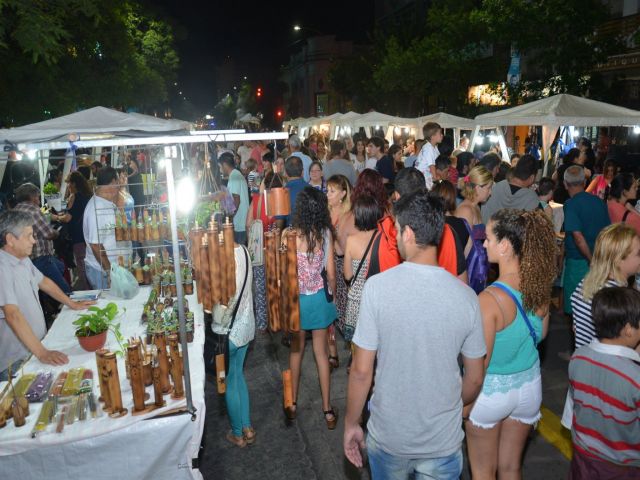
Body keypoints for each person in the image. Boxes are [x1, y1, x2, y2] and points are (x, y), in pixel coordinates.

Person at [343, 189, 486, 476]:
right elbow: (475, 377)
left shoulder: (378, 288)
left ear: (408, 233)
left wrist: (351, 423)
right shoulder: (467, 297)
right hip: (442, 443)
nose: (394, 238)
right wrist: (444, 406)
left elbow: (361, 371)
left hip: (390, 437)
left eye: (396, 230)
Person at [465, 209, 557, 480]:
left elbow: (478, 367)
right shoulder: (539, 289)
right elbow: (540, 336)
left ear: (505, 245)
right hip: (529, 388)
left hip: (490, 394)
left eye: (489, 239)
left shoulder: (488, 300)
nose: (484, 244)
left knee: (483, 472)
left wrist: (463, 406)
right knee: (511, 468)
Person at [0, 210, 95, 381]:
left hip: (35, 348)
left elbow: (44, 282)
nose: (34, 241)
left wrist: (72, 303)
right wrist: (42, 352)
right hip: (16, 362)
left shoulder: (22, 259)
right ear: (10, 239)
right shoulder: (2, 267)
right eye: (29, 236)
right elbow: (12, 314)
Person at [568, 287, 640, 479]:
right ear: (628, 330)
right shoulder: (635, 377)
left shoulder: (578, 357)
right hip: (623, 467)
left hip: (584, 458)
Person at [285, 187, 338, 429]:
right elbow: (331, 274)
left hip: (297, 301)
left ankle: (292, 403)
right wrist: (333, 299)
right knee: (321, 354)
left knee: (295, 353)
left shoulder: (289, 235)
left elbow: (285, 275)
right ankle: (327, 410)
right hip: (319, 299)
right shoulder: (326, 233)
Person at [212, 240, 255, 448]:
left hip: (227, 332)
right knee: (238, 375)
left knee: (229, 380)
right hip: (246, 326)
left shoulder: (222, 257)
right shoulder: (244, 250)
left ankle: (238, 434)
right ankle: (247, 427)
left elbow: (223, 303)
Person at [570, 223, 640, 349]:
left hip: (585, 360)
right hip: (612, 366)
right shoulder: (620, 300)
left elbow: (576, 329)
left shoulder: (585, 284)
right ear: (618, 259)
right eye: (638, 253)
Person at [562, 165, 611, 315]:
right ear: (584, 182)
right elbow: (607, 232)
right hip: (601, 259)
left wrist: (590, 259)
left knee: (576, 309)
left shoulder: (571, 204)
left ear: (565, 184)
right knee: (595, 307)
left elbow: (577, 237)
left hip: (580, 261)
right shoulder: (599, 202)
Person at [13, 183, 71, 295]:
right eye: (38, 196)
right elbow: (48, 234)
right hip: (41, 257)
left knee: (60, 267)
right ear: (32, 196)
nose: (39, 199)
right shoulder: (33, 210)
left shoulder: (15, 210)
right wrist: (57, 232)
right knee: (65, 290)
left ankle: (51, 301)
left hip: (26, 259)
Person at [343, 195, 384, 344]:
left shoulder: (351, 240)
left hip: (357, 301)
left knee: (358, 347)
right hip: (378, 300)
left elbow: (347, 275)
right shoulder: (383, 238)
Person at [326, 174, 354, 366]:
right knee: (329, 311)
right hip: (327, 266)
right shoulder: (325, 212)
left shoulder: (349, 216)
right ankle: (333, 353)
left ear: (343, 194)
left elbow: (344, 249)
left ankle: (355, 352)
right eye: (327, 190)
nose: (328, 194)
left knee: (345, 312)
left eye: (332, 191)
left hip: (343, 266)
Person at [455, 166, 493, 293]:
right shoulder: (465, 211)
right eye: (488, 188)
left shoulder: (475, 208)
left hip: (477, 268)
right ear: (478, 187)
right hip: (470, 272)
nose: (490, 192)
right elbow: (462, 252)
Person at [83, 167, 122, 289]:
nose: (119, 186)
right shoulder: (96, 209)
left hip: (107, 268)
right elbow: (95, 245)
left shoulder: (105, 202)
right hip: (100, 271)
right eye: (118, 182)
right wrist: (108, 270)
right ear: (113, 183)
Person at [481, 154, 539, 224]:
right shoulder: (532, 198)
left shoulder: (495, 188)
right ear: (532, 177)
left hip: (488, 233)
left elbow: (483, 215)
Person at [58, 172, 92, 290]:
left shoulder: (74, 196)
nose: (68, 186)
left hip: (78, 236)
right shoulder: (88, 195)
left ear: (74, 184)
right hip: (89, 234)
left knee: (82, 266)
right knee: (90, 264)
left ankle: (89, 291)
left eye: (69, 183)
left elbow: (68, 217)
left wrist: (56, 217)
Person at [218, 152, 250, 245]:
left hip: (239, 223)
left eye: (220, 167)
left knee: (238, 253)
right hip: (241, 222)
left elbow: (236, 200)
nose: (220, 170)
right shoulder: (236, 175)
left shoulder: (234, 177)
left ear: (224, 165)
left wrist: (229, 218)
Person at [415, 122, 442, 189]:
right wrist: (436, 180)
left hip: (426, 175)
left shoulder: (434, 147)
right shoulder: (428, 148)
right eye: (440, 133)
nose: (442, 135)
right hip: (422, 176)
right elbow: (431, 165)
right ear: (432, 136)